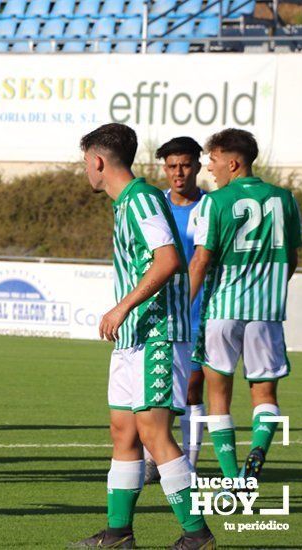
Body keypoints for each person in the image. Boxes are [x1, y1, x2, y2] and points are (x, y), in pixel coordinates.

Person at [72, 123, 214, 550]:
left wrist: (122, 306)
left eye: (85, 163)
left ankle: (197, 534)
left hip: (158, 334)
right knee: (123, 432)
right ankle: (119, 533)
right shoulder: (125, 204)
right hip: (133, 338)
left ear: (97, 161)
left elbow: (169, 259)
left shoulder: (141, 199)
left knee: (154, 433)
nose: (86, 171)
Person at [190, 128, 302, 483]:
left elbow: (202, 259)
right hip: (266, 313)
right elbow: (292, 259)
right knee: (265, 392)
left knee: (218, 393)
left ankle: (231, 479)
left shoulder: (215, 201)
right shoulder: (285, 198)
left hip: (223, 309)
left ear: (234, 162)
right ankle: (258, 452)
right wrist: (268, 289)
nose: (210, 167)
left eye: (214, 159)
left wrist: (181, 305)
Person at [143, 137, 207, 484]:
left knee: (191, 389)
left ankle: (190, 463)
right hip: (160, 312)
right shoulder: (157, 206)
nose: (178, 172)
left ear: (197, 165)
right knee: (158, 387)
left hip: (199, 312)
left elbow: (206, 260)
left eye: (184, 165)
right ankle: (154, 457)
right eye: (172, 166)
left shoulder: (210, 207)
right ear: (164, 169)